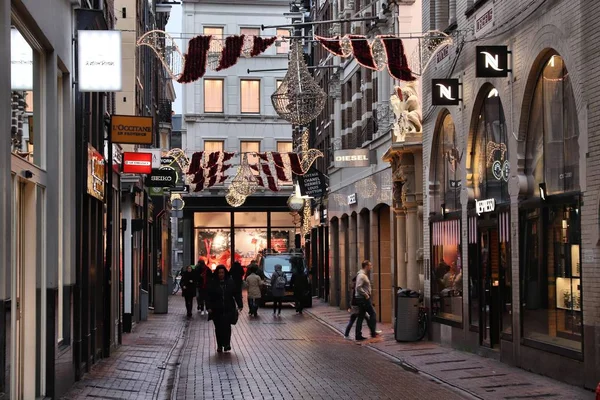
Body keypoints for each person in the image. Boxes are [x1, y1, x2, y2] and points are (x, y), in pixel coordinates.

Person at [207, 265, 243, 353]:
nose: (221, 274)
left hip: (228, 308)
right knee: (218, 328)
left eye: (222, 273)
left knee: (227, 327)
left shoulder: (230, 282)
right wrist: (209, 307)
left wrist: (240, 304)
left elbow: (236, 293)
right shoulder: (213, 283)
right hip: (217, 309)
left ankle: (227, 344)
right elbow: (208, 296)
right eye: (219, 273)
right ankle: (219, 345)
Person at [354, 260, 381, 340]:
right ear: (366, 266)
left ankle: (359, 335)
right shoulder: (362, 275)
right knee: (373, 313)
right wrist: (366, 295)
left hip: (362, 299)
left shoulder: (362, 275)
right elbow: (358, 287)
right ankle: (373, 332)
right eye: (370, 265)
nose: (371, 267)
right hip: (363, 299)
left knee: (361, 316)